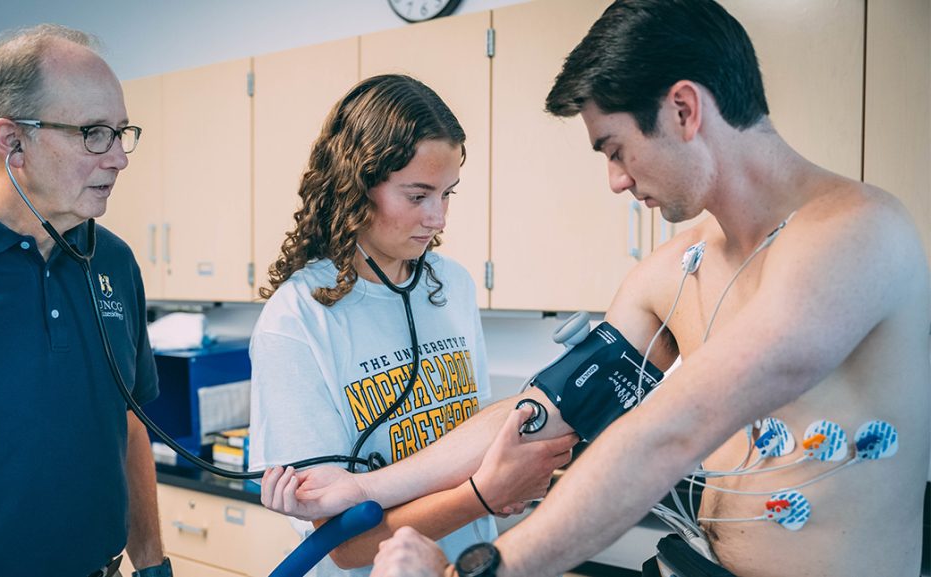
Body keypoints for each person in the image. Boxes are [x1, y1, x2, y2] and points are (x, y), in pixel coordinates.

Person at [260, 2, 931, 576]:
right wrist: (364, 486)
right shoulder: (673, 271)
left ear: (684, 110)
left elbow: (669, 430)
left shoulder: (857, 235)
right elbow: (542, 408)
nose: (614, 179)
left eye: (614, 148)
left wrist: (487, 567)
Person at [249, 74, 577, 576]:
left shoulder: (452, 285)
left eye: (448, 194)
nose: (439, 217)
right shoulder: (299, 318)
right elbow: (345, 544)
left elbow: (475, 437)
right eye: (418, 195)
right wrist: (484, 495)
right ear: (355, 185)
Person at [0, 25, 172, 577]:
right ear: (12, 141)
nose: (119, 158)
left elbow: (127, 422)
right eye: (94, 133)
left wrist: (151, 563)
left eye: (122, 132)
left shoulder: (114, 262)